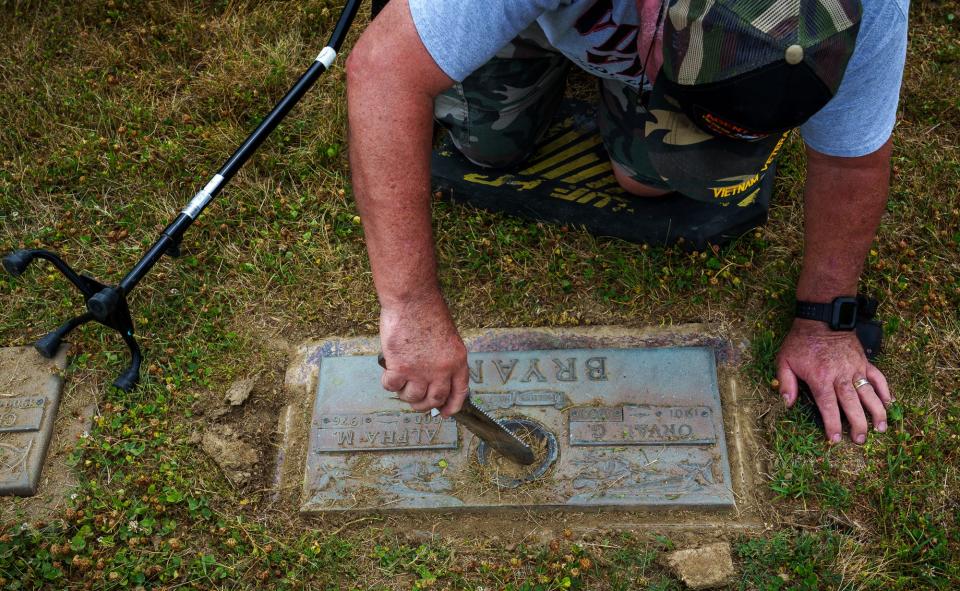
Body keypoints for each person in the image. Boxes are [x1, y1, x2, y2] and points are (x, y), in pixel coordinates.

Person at [345, 0, 908, 445]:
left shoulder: (864, 12)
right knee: (490, 146)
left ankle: (634, 79)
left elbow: (850, 160)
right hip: (547, 17)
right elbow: (382, 71)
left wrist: (825, 323)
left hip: (637, 36)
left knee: (650, 177)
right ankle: (526, 37)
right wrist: (411, 307)